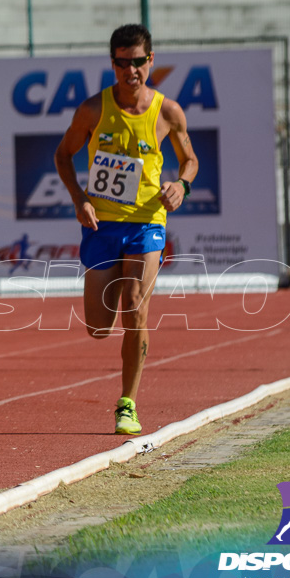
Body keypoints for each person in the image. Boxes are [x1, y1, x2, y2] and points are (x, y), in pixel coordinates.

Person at [54, 23, 198, 435]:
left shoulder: (167, 112)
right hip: (102, 224)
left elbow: (190, 160)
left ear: (150, 61)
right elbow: (63, 156)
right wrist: (79, 198)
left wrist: (181, 186)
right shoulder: (93, 109)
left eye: (138, 62)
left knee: (136, 307)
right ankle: (114, 279)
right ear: (113, 63)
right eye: (122, 63)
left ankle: (127, 403)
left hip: (147, 222)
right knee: (99, 327)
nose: (130, 70)